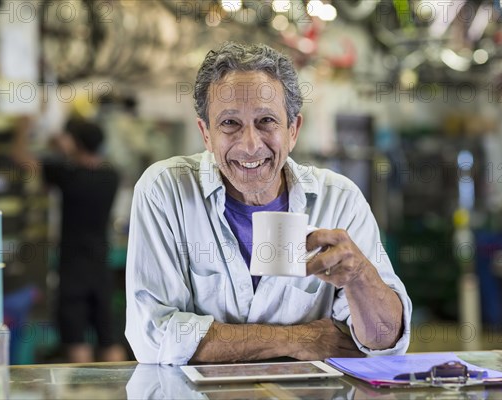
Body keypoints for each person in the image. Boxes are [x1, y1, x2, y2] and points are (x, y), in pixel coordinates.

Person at [125, 42, 412, 365]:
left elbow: (384, 343)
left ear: (293, 130)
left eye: (266, 121)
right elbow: (153, 336)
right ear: (206, 133)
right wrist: (300, 339)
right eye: (230, 123)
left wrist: (359, 275)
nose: (250, 145)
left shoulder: (339, 199)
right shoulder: (165, 190)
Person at [12, 116, 127, 363]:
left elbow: (21, 157)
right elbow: (84, 162)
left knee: (76, 340)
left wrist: (23, 129)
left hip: (73, 269)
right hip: (100, 267)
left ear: (75, 144)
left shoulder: (66, 174)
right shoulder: (111, 176)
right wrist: (68, 148)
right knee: (109, 339)